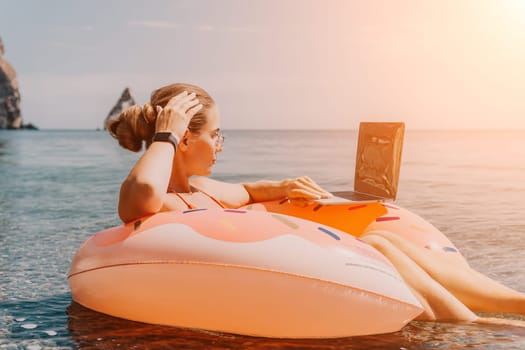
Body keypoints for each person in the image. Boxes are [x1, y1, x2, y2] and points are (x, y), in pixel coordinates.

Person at [108, 82, 525, 325]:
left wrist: (287, 185)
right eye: (215, 134)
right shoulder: (161, 200)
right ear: (183, 139)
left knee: (382, 236)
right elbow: (138, 197)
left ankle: (515, 304)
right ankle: (469, 327)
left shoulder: (206, 189)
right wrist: (165, 135)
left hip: (273, 277)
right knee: (376, 249)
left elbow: (251, 191)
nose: (220, 143)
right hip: (252, 291)